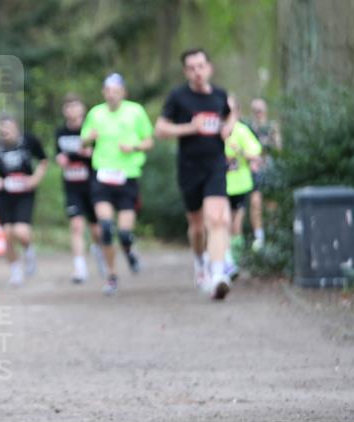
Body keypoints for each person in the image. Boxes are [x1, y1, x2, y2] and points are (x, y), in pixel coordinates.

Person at [154, 48, 236, 300]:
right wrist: (190, 127)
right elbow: (160, 129)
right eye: (191, 68)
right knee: (198, 227)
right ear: (185, 72)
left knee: (217, 219)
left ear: (209, 67)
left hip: (215, 166)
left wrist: (228, 128)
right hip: (189, 169)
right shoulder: (178, 97)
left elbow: (231, 112)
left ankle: (218, 274)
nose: (197, 72)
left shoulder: (220, 94)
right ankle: (200, 261)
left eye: (201, 66)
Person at [81, 73, 154, 295]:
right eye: (108, 90)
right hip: (102, 176)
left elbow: (149, 141)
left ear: (124, 92)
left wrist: (133, 148)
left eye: (116, 90)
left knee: (123, 234)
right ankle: (112, 276)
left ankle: (129, 252)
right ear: (103, 93)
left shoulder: (136, 111)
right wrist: (88, 138)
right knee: (105, 228)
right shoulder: (95, 113)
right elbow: (83, 140)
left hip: (127, 177)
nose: (112, 94)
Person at [0, 114, 48, 287]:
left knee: (21, 231)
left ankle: (29, 252)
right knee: (8, 234)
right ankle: (15, 272)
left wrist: (35, 179)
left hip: (25, 193)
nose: (5, 132)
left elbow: (43, 160)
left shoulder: (28, 141)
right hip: (4, 195)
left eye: (8, 128)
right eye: (2, 129)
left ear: (16, 127)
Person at [54, 94, 104, 283]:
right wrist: (60, 159)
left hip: (93, 185)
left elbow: (104, 152)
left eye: (75, 106)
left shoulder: (91, 130)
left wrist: (90, 153)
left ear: (83, 109)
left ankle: (99, 251)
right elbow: (58, 153)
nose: (71, 110)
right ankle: (79, 267)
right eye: (68, 106)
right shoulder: (60, 132)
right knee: (76, 226)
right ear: (64, 111)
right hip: (71, 186)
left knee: (97, 229)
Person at [224, 96, 262, 280]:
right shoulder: (217, 131)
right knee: (221, 225)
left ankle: (234, 263)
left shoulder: (242, 131)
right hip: (219, 187)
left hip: (239, 186)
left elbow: (255, 154)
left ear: (237, 113)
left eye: (231, 110)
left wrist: (239, 151)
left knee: (236, 225)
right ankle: (222, 261)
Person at [247, 98, 282, 251]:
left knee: (272, 204)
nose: (258, 113)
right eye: (255, 110)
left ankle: (273, 235)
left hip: (270, 169)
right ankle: (259, 237)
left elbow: (279, 148)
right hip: (255, 170)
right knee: (255, 203)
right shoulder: (249, 128)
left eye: (260, 110)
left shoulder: (272, 127)